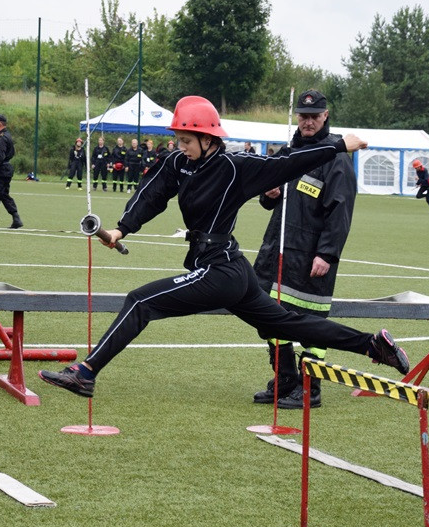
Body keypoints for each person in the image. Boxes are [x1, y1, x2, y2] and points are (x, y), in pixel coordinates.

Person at [38, 95, 409, 399]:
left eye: (186, 140)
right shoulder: (177, 163)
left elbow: (288, 162)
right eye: (179, 139)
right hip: (233, 271)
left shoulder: (236, 167)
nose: (180, 147)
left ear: (208, 139)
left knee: (140, 300)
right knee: (291, 323)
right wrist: (122, 229)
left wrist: (337, 145)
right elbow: (152, 195)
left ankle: (85, 373)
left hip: (222, 270)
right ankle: (374, 346)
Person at [251, 89, 358, 409]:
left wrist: (327, 254)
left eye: (314, 116)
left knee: (312, 322)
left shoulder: (335, 157)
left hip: (312, 256)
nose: (307, 121)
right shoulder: (288, 151)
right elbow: (267, 200)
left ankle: (311, 388)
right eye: (303, 116)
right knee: (268, 315)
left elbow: (340, 212)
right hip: (278, 252)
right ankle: (285, 379)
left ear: (326, 116)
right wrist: (268, 194)